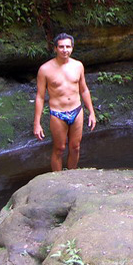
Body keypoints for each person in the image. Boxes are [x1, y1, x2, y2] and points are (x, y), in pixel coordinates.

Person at [33, 33, 97, 171]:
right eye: (61, 47)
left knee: (75, 147)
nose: (65, 50)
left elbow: (84, 90)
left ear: (72, 48)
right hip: (58, 113)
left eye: (68, 46)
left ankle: (71, 176)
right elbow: (40, 96)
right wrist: (37, 123)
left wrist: (91, 112)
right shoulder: (45, 69)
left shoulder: (78, 66)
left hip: (77, 110)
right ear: (55, 48)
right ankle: (58, 179)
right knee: (59, 148)